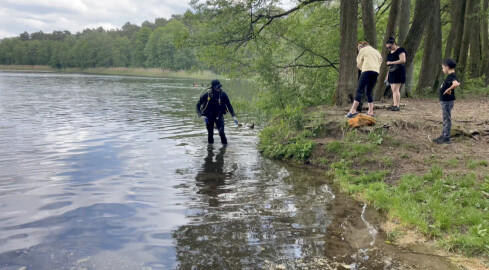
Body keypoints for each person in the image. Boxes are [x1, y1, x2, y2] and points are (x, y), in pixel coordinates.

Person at [347, 41, 383, 118]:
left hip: (366, 70)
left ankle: (353, 110)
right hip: (376, 71)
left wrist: (361, 68)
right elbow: (380, 60)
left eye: (359, 47)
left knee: (359, 90)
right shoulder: (376, 51)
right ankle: (370, 111)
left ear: (361, 46)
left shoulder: (363, 50)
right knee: (369, 91)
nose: (358, 49)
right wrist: (376, 67)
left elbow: (359, 61)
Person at [196, 80, 238, 145]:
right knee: (210, 133)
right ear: (213, 87)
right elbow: (198, 105)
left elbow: (229, 106)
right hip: (209, 117)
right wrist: (201, 115)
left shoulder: (223, 95)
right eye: (217, 87)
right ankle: (210, 150)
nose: (219, 88)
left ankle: (225, 147)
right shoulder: (207, 95)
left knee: (221, 133)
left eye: (220, 86)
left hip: (219, 115)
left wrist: (234, 116)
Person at [434, 59, 460, 144]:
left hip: (447, 101)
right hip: (445, 101)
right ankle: (443, 135)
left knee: (446, 119)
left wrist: (448, 89)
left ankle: (446, 138)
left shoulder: (451, 76)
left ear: (447, 67)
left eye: (443, 67)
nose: (442, 69)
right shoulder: (451, 76)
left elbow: (456, 84)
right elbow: (457, 83)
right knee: (445, 119)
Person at [385, 37, 406, 112]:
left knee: (396, 88)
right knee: (392, 88)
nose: (389, 49)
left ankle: (397, 105)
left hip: (399, 70)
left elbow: (403, 60)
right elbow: (389, 65)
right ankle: (394, 104)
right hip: (391, 71)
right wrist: (387, 74)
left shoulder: (400, 50)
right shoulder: (390, 53)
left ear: (394, 44)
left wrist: (391, 62)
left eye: (390, 47)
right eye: (387, 48)